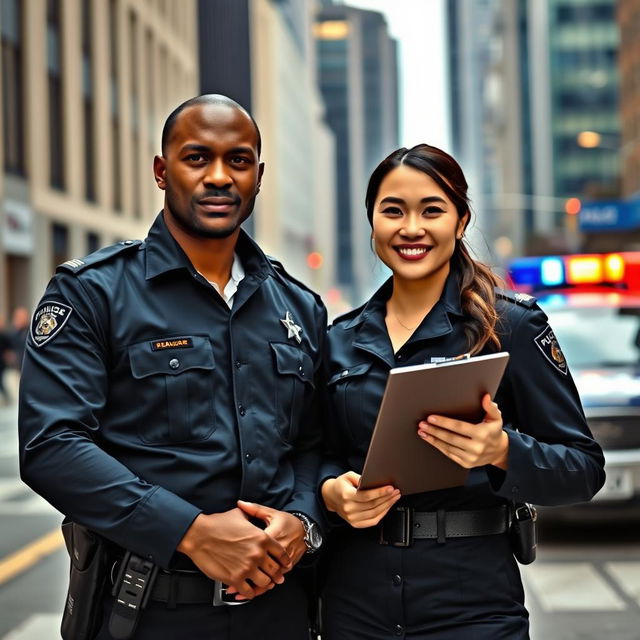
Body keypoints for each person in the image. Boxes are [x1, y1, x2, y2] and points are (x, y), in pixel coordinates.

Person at [19, 94, 326, 640]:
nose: (218, 177)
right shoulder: (94, 292)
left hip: (280, 612)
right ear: (162, 171)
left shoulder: (299, 307)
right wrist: (191, 532)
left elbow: (311, 443)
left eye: (237, 161)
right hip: (148, 612)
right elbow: (52, 445)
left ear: (258, 176)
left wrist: (302, 521)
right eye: (196, 157)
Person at [318, 144, 605, 639]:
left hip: (472, 606)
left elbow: (583, 468)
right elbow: (311, 451)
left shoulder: (509, 326)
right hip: (356, 602)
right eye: (393, 211)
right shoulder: (337, 340)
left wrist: (502, 451)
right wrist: (330, 492)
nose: (411, 228)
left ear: (461, 220)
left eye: (432, 210)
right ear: (372, 223)